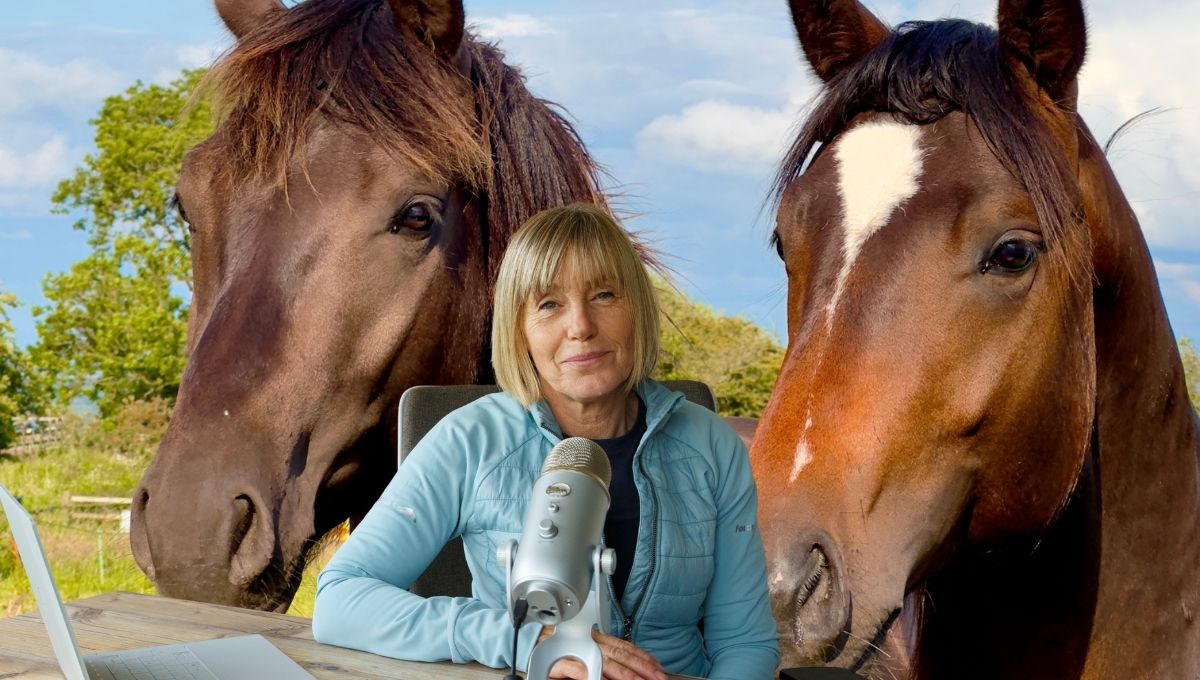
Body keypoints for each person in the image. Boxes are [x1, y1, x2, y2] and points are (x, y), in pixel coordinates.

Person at [312, 203, 779, 679]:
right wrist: (523, 640)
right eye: (549, 304)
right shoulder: (469, 440)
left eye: (604, 294)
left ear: (637, 308)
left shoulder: (713, 447)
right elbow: (341, 599)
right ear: (520, 330)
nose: (580, 326)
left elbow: (745, 642)